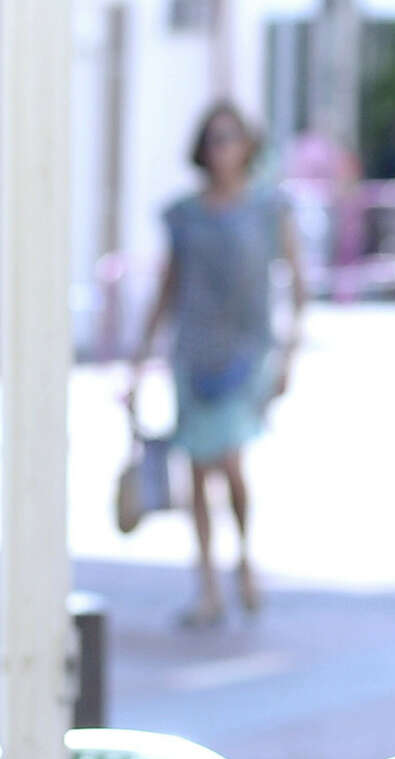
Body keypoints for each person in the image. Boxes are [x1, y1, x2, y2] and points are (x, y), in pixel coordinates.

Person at [128, 103, 308, 628]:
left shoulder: (270, 208)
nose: (221, 149)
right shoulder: (184, 214)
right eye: (212, 139)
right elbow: (169, 285)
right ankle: (206, 582)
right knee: (195, 467)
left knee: (229, 460)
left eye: (229, 138)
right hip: (193, 348)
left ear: (247, 145)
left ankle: (245, 560)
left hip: (247, 349)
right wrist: (140, 357)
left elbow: (296, 284)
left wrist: (290, 352)